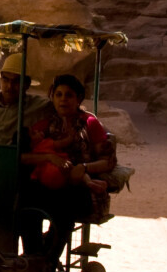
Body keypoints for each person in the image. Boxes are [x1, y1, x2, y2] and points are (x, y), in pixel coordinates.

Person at [19, 74, 115, 258]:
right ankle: (33, 257)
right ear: (52, 98)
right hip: (47, 183)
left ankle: (48, 261)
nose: (63, 99)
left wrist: (84, 168)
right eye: (59, 94)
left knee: (64, 208)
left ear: (78, 98)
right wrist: (48, 157)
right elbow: (23, 158)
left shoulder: (90, 123)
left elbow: (108, 161)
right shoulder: (44, 125)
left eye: (69, 95)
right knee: (25, 204)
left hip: (78, 187)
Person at [0, 53, 50, 146]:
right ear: (0, 80)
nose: (10, 86)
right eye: (5, 80)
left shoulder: (40, 106)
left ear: (27, 84)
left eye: (17, 81)